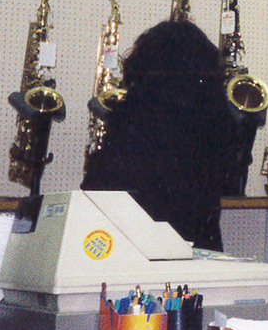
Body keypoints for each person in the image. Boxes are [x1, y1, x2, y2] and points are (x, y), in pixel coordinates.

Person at [82, 20, 233, 252]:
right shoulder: (214, 124)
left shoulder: (133, 125)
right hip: (200, 254)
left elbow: (97, 191)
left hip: (138, 255)